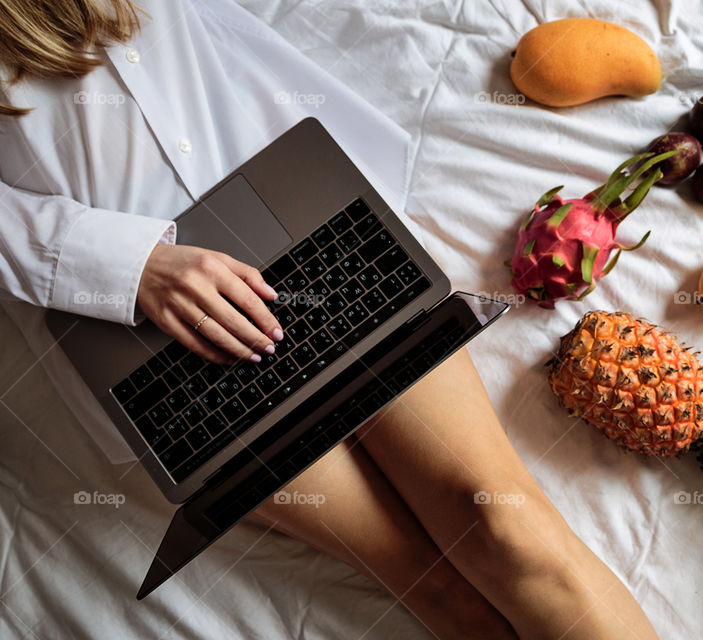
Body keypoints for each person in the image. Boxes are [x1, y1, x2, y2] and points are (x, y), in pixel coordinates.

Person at [0, 1, 658, 638]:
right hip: (143, 328)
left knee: (512, 536)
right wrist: (133, 265)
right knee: (438, 591)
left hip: (307, 221)